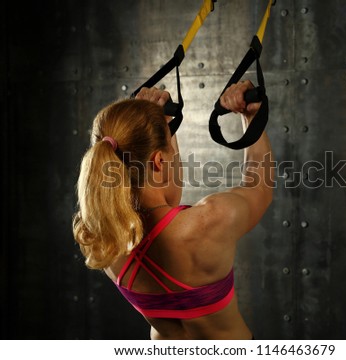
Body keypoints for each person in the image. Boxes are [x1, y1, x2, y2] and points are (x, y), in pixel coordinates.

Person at [72, 80, 274, 340]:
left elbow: (165, 200)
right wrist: (252, 116)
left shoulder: (102, 240)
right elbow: (260, 188)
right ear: (159, 160)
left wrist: (162, 127)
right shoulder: (211, 220)